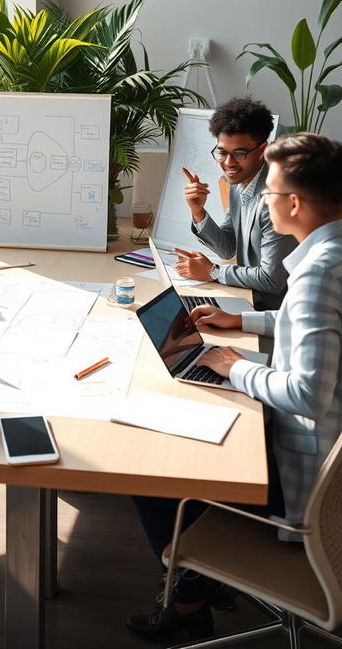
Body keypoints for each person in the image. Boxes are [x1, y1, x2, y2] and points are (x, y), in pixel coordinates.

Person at [128, 132, 342, 643]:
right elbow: (312, 326)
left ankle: (190, 598)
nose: (264, 200)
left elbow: (308, 393)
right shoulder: (332, 254)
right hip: (322, 458)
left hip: (300, 492)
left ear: (293, 202)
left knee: (150, 472)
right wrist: (239, 319)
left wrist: (233, 368)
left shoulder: (316, 274)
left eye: (268, 191)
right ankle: (200, 583)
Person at [175, 96, 296, 310]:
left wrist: (213, 272)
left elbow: (271, 280)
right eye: (222, 152)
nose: (229, 163)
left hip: (274, 311)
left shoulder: (276, 199)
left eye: (239, 153)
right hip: (246, 296)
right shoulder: (239, 183)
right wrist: (198, 212)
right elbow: (228, 248)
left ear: (262, 150)